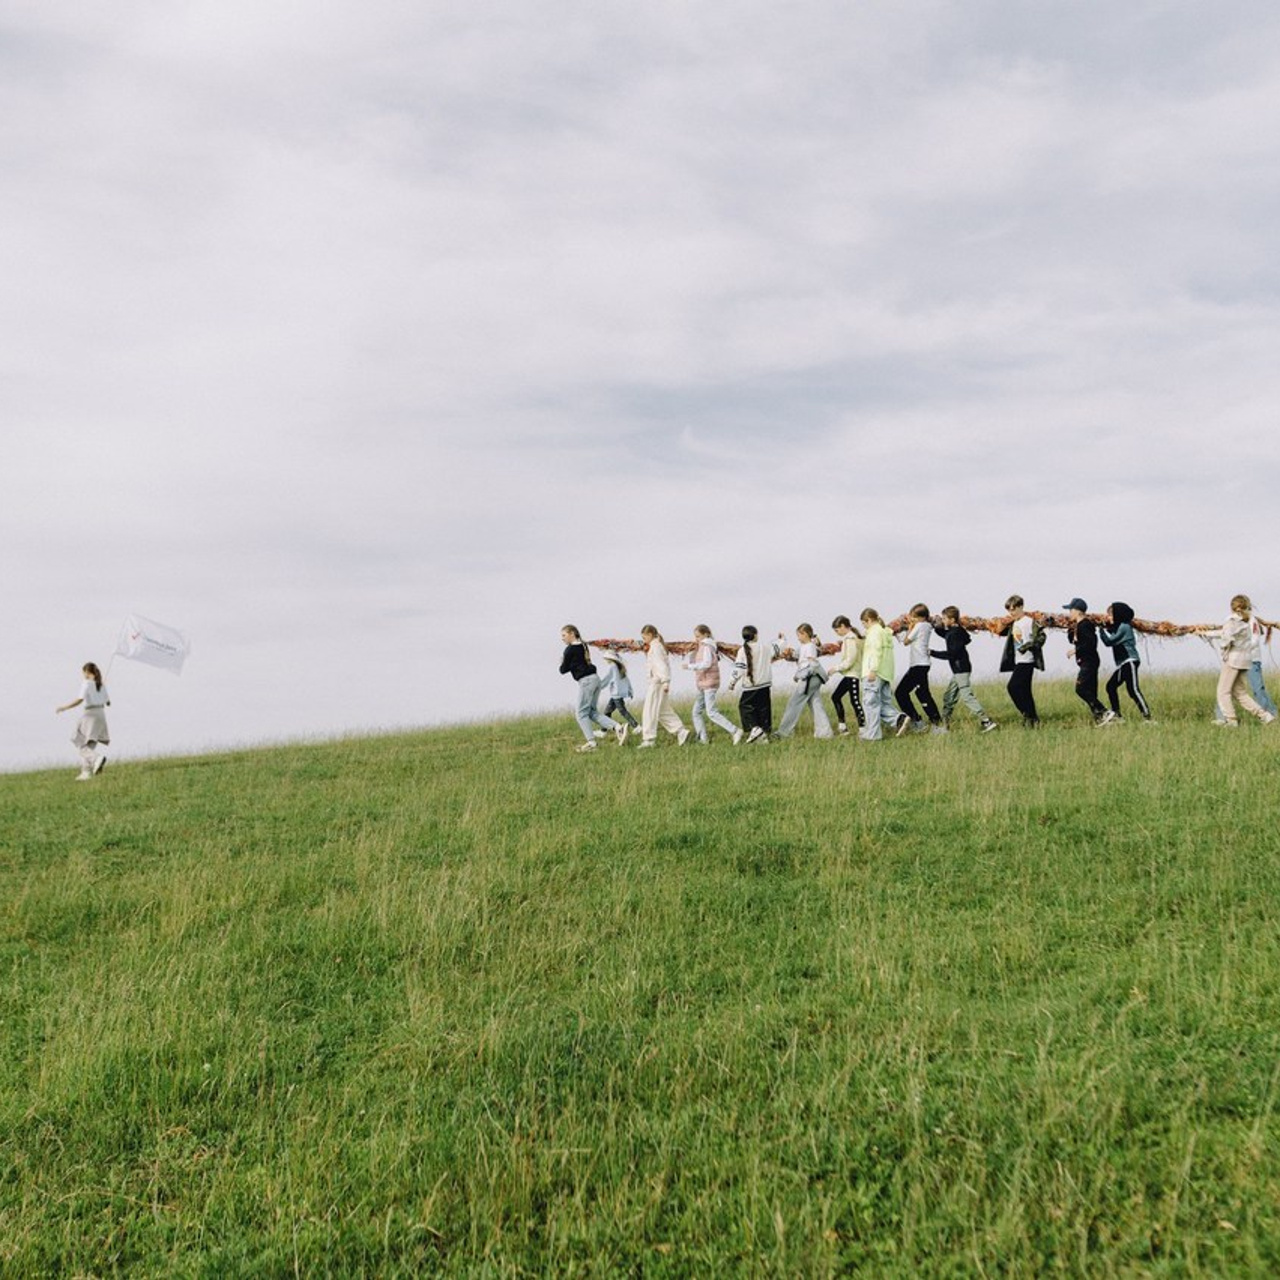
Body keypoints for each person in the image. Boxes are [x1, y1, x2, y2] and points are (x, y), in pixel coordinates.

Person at [1208, 595, 1276, 728]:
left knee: (1223, 691)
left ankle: (1231, 719)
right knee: (1240, 693)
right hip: (1246, 660)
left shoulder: (1234, 621)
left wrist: (1215, 640)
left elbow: (1226, 637)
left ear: (1233, 607)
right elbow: (1226, 633)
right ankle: (1266, 716)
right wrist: (1206, 633)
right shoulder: (1246, 620)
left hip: (1235, 660)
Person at [931, 606, 997, 732]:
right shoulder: (957, 631)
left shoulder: (954, 634)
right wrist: (935, 626)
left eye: (944, 619)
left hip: (960, 669)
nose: (943, 621)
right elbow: (946, 634)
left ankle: (987, 721)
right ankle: (944, 726)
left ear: (952, 619)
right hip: (959, 670)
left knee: (967, 696)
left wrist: (932, 653)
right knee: (948, 697)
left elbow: (951, 654)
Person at [560, 626, 626, 751]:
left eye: (564, 635)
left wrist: (564, 662)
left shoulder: (569, 650)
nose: (562, 638)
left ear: (572, 634)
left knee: (580, 713)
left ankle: (591, 744)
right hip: (595, 679)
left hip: (586, 681)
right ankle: (618, 728)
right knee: (591, 712)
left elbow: (562, 670)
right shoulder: (584, 645)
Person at [683, 624, 742, 744]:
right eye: (695, 636)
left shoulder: (707, 647)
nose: (696, 639)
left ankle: (735, 731)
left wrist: (689, 666)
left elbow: (706, 663)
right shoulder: (703, 647)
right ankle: (703, 739)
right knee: (696, 712)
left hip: (709, 683)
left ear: (706, 634)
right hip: (703, 684)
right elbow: (699, 661)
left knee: (711, 712)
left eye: (698, 636)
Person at [775, 623, 833, 739]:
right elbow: (796, 656)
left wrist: (800, 675)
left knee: (794, 703)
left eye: (799, 635)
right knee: (815, 703)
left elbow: (812, 664)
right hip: (812, 677)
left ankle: (784, 732)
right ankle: (825, 733)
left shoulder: (810, 646)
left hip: (809, 678)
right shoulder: (804, 647)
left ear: (805, 634)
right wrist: (785, 649)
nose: (798, 638)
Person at [56, 661, 111, 780]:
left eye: (83, 672)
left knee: (76, 738)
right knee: (89, 744)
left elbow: (80, 700)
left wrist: (64, 707)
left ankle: (96, 758)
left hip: (90, 714)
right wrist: (100, 691)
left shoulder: (86, 683)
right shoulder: (101, 684)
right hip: (101, 714)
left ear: (86, 672)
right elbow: (108, 702)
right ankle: (86, 772)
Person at [638, 625, 690, 749]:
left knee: (649, 710)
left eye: (644, 637)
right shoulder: (657, 646)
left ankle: (649, 739)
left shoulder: (655, 647)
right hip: (660, 682)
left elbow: (661, 666)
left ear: (650, 634)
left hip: (657, 683)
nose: (643, 639)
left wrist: (665, 681)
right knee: (662, 711)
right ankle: (680, 731)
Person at [1099, 602, 1153, 723]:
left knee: (1133, 690)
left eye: (1110, 615)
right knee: (1111, 686)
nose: (1108, 617)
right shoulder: (1120, 627)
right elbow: (1113, 633)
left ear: (1118, 615)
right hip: (1124, 663)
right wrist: (1106, 628)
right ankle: (1117, 714)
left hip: (1130, 661)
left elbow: (1109, 642)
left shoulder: (1125, 627)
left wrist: (1101, 630)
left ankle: (1148, 718)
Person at [895, 603, 943, 735]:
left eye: (914, 617)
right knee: (920, 693)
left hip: (918, 665)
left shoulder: (920, 626)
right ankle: (931, 722)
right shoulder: (926, 626)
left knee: (903, 693)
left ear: (921, 617)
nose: (912, 620)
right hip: (920, 664)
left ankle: (923, 722)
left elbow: (905, 642)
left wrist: (909, 627)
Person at [727, 625, 780, 744]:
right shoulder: (765, 647)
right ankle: (764, 733)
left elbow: (739, 668)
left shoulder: (742, 650)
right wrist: (782, 639)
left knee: (745, 707)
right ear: (756, 635)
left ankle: (755, 729)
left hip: (750, 686)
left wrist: (732, 682)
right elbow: (778, 648)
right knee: (763, 708)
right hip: (765, 685)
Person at [1063, 597, 1112, 725]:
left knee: (1080, 689)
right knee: (1091, 691)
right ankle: (1100, 719)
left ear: (1078, 611)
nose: (1069, 613)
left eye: (1071, 610)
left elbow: (1091, 643)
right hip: (1086, 662)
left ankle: (1104, 711)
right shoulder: (1078, 626)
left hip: (1089, 662)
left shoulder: (1085, 625)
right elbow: (1074, 640)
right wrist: (1070, 629)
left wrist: (1075, 650)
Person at [858, 608, 902, 740]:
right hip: (885, 673)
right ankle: (898, 719)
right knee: (881, 703)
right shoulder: (885, 632)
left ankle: (874, 734)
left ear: (869, 620)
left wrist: (873, 669)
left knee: (870, 704)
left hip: (873, 673)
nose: (864, 627)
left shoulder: (874, 632)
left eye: (864, 624)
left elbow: (875, 651)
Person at [999, 595, 1043, 727]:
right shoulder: (1013, 624)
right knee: (1025, 691)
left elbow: (1041, 637)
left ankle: (1027, 715)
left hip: (1027, 660)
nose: (1011, 613)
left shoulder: (1029, 622)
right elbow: (1001, 632)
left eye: (1013, 609)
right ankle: (1032, 719)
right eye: (1009, 610)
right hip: (1018, 660)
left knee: (1012, 687)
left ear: (1021, 607)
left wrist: (1028, 646)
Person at [829, 615, 865, 735]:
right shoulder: (849, 638)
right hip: (849, 674)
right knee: (836, 697)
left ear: (843, 626)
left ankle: (862, 728)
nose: (837, 633)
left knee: (855, 701)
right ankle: (843, 727)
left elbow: (850, 660)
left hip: (853, 674)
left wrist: (836, 669)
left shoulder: (851, 639)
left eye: (837, 630)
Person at [597, 653, 639, 733]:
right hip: (617, 694)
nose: (605, 660)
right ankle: (603, 731)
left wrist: (598, 686)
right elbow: (626, 680)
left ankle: (636, 726)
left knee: (622, 711)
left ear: (609, 659)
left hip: (616, 694)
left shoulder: (612, 667)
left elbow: (607, 679)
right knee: (607, 712)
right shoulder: (619, 667)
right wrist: (630, 691)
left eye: (605, 658)